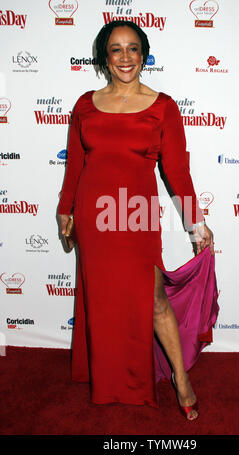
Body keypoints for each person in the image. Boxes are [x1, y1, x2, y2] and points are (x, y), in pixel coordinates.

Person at [57, 20, 215, 421]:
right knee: (103, 300)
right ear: (104, 57)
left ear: (143, 55)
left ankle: (181, 379)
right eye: (116, 49)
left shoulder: (163, 106)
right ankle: (110, 378)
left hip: (136, 215)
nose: (125, 57)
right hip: (94, 217)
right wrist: (65, 209)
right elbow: (75, 164)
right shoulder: (85, 104)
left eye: (132, 48)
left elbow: (177, 172)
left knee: (155, 299)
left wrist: (196, 222)